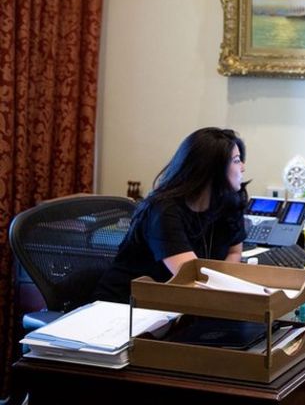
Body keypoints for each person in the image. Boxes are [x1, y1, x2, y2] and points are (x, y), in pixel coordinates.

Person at [94, 127, 249, 303]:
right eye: (236, 161)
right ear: (211, 169)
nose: (243, 167)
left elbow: (235, 252)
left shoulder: (228, 201)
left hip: (180, 304)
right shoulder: (164, 210)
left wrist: (223, 284)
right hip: (126, 307)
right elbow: (191, 277)